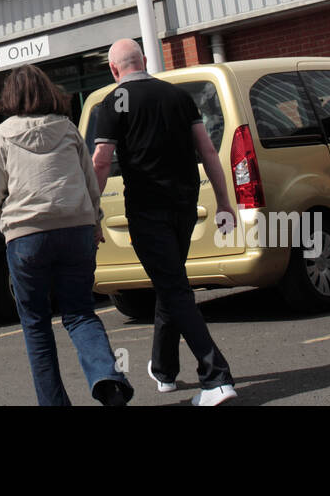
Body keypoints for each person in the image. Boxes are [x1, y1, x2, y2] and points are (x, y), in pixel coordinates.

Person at [90, 38, 239, 406]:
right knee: (170, 280)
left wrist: (91, 210)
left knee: (172, 287)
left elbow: (101, 161)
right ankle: (164, 368)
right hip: (185, 205)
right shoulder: (178, 96)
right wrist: (223, 202)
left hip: (147, 209)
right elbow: (207, 151)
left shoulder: (112, 104)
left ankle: (216, 378)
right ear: (143, 61)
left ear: (114, 70)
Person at [0, 64, 134, 407]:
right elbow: (90, 181)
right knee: (79, 313)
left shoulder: (0, 136)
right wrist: (94, 221)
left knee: (36, 325)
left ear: (10, 97)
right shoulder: (67, 129)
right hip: (76, 229)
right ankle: (108, 380)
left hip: (27, 235)